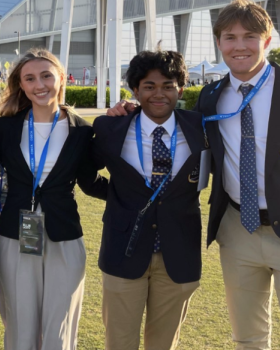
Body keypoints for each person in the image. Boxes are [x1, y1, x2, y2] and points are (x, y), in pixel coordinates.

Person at [107, 0, 280, 350]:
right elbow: (165, 116)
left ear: (267, 41)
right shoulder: (210, 98)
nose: (240, 46)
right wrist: (128, 111)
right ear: (219, 43)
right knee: (248, 339)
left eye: (250, 37)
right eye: (230, 38)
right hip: (238, 232)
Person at [0, 48, 106, 350]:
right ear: (21, 85)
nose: (39, 85)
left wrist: (133, 195)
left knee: (60, 327)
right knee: (19, 326)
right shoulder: (4, 128)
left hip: (64, 236)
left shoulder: (82, 131)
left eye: (46, 76)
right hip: (15, 235)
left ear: (60, 79)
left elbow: (90, 182)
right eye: (30, 78)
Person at [93, 50, 207, 350]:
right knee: (119, 342)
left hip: (179, 253)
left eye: (168, 85)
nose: (159, 94)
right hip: (123, 250)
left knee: (164, 344)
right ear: (135, 90)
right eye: (149, 86)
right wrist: (120, 198)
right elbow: (84, 175)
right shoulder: (110, 128)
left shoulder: (201, 127)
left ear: (180, 89)